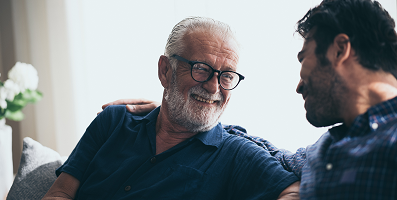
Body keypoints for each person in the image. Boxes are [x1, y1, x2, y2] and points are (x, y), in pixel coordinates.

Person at [107, 0, 397, 199]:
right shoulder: (324, 150)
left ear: (339, 50)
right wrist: (178, 108)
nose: (298, 86)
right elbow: (263, 152)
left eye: (303, 58)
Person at [43, 17, 299, 199]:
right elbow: (61, 191)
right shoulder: (113, 121)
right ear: (165, 71)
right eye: (201, 69)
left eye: (227, 76)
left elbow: (294, 191)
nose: (213, 87)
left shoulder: (236, 153)